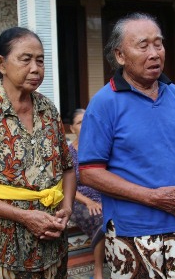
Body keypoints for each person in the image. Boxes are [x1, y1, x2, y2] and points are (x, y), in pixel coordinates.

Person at [78, 12, 175, 278]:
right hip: (134, 232)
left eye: (158, 43)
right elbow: (89, 172)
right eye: (143, 45)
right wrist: (154, 198)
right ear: (120, 55)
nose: (155, 53)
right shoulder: (104, 103)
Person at [0, 27, 76, 278]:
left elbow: (68, 168)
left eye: (40, 60)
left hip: (53, 245)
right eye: (26, 59)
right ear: (1, 64)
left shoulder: (48, 109)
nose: (35, 68)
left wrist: (67, 209)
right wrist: (24, 216)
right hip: (5, 249)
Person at [67, 108, 105, 279]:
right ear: (72, 129)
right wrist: (88, 201)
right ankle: (98, 272)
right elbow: (66, 186)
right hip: (78, 198)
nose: (85, 125)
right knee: (100, 219)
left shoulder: (100, 147)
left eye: (87, 121)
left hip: (102, 194)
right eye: (80, 123)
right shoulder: (68, 153)